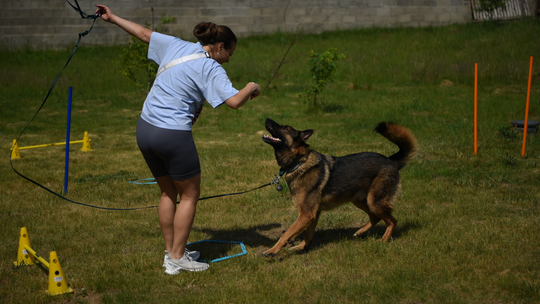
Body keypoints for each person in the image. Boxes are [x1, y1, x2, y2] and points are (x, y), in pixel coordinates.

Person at [95, 4, 261, 274]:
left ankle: (172, 251)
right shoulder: (212, 68)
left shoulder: (177, 45)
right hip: (171, 135)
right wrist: (251, 87)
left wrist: (112, 18)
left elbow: (145, 34)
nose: (229, 59)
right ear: (219, 47)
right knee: (190, 194)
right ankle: (176, 259)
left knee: (167, 192)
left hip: (144, 129)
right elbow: (233, 101)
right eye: (229, 53)